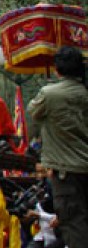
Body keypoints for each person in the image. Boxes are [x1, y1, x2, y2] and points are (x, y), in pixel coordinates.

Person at [27, 45, 88, 248]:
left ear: (57, 69)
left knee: (74, 224)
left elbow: (33, 111)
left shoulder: (49, 94)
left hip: (66, 171)